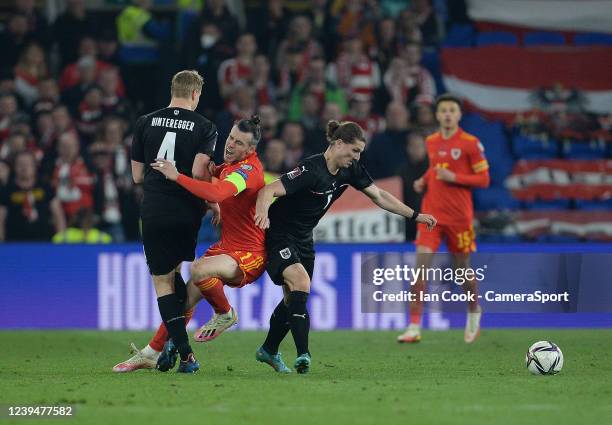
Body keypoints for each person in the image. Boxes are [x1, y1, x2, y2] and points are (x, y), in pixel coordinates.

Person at [253, 120, 437, 374]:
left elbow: (380, 196)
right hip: (280, 235)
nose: (357, 157)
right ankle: (303, 354)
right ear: (339, 144)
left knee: (292, 298)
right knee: (301, 283)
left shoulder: (350, 171)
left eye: (359, 152)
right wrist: (262, 215)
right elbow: (268, 190)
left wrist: (415, 215)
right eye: (354, 150)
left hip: (304, 238)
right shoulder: (310, 168)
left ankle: (268, 351)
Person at [114, 116, 267, 373]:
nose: (230, 145)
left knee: (198, 269)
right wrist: (214, 179)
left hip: (249, 253)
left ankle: (225, 313)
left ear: (251, 150)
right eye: (230, 138)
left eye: (239, 143)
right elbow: (221, 185)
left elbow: (220, 191)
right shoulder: (232, 165)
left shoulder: (248, 171)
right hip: (227, 248)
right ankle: (152, 352)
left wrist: (177, 176)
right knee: (182, 302)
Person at [129, 70, 217, 373]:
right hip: (188, 211)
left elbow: (137, 176)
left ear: (173, 90)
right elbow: (197, 173)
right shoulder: (205, 126)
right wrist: (212, 202)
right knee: (177, 273)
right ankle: (166, 348)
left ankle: (185, 354)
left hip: (154, 209)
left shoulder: (144, 122)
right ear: (195, 94)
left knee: (163, 283)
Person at [397, 93, 490, 344]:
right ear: (437, 115)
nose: (447, 114)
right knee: (420, 271)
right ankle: (414, 326)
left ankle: (473, 310)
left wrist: (455, 179)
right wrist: (424, 180)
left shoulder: (471, 143)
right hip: (432, 216)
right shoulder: (432, 141)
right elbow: (435, 168)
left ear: (459, 115)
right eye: (443, 110)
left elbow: (484, 179)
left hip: (460, 218)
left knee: (462, 272)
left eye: (452, 110)